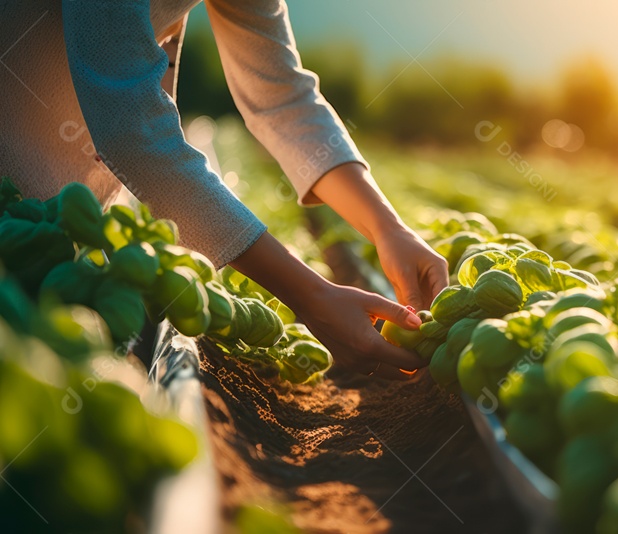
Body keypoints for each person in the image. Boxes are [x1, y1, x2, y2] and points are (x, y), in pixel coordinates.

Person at [0, 0, 449, 379]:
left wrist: (390, 229)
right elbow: (132, 128)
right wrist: (312, 297)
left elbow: (283, 97)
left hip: (54, 212)